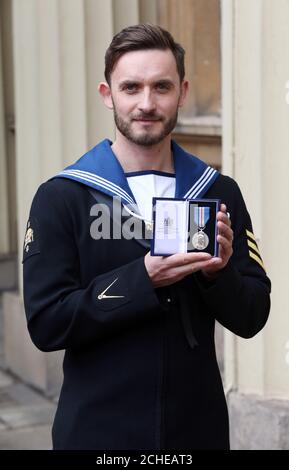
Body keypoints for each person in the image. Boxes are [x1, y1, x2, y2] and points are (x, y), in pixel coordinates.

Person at [23, 24, 271, 450]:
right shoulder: (63, 196)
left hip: (197, 432)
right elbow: (47, 323)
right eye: (131, 87)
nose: (147, 103)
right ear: (108, 94)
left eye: (162, 87)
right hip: (98, 433)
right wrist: (142, 278)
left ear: (183, 91)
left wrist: (217, 275)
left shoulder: (215, 191)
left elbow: (252, 315)